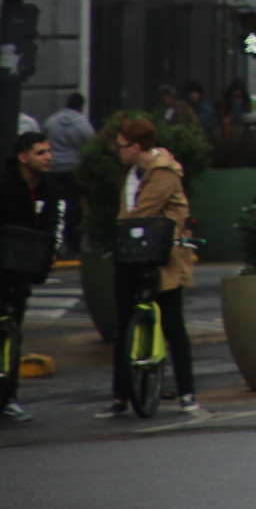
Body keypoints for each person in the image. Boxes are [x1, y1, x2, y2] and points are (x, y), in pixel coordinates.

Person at [101, 118, 195, 417]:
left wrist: (121, 229)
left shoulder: (164, 173)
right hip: (133, 253)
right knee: (124, 325)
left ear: (136, 146)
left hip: (164, 256)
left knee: (173, 323)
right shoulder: (130, 175)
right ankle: (120, 396)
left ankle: (188, 392)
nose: (118, 151)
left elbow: (140, 214)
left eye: (121, 145)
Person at [4, 130, 65, 421]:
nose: (48, 157)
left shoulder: (50, 188)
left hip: (22, 269)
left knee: (14, 332)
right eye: (41, 152)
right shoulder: (5, 181)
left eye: (49, 152)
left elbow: (53, 223)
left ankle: (8, 397)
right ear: (23, 156)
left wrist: (50, 250)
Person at [42, 92, 93, 250]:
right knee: (73, 208)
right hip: (73, 170)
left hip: (53, 170)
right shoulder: (83, 125)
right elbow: (91, 146)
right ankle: (73, 243)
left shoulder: (52, 121)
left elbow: (43, 139)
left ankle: (50, 238)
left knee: (52, 204)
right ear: (81, 106)